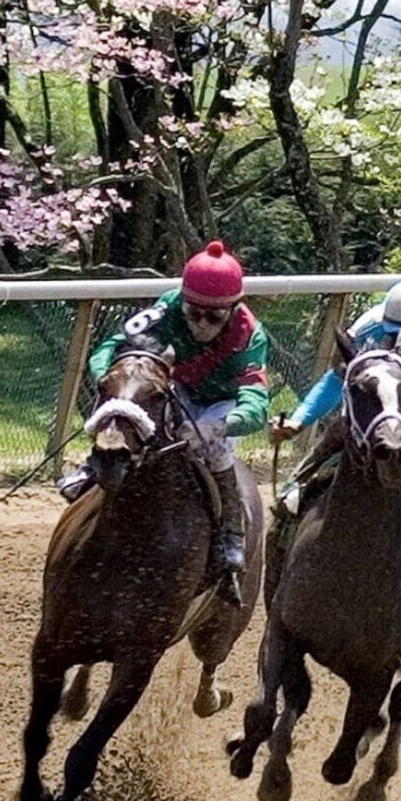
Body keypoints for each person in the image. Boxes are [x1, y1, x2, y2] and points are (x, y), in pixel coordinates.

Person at [67, 241, 277, 594]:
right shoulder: (165, 308)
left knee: (215, 449)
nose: (201, 324)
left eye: (214, 317)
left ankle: (230, 535)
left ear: (233, 308)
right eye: (194, 313)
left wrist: (225, 424)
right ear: (183, 301)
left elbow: (256, 401)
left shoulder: (249, 335)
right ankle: (92, 468)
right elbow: (111, 346)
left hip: (220, 406)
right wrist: (108, 378)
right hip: (174, 390)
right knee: (130, 404)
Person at [273, 279, 401, 544]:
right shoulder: (366, 333)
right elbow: (336, 381)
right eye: (394, 337)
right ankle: (290, 493)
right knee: (341, 429)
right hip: (381, 396)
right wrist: (299, 420)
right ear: (385, 327)